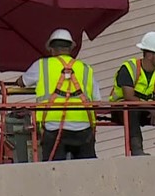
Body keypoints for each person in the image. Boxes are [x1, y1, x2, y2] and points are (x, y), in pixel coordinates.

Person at [19, 28, 100, 162]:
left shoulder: (42, 65)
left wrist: (18, 81)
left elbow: (24, 81)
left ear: (51, 49)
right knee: (88, 171)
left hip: (53, 127)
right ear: (70, 49)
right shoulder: (85, 68)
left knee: (54, 171)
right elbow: (97, 99)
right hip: (83, 128)